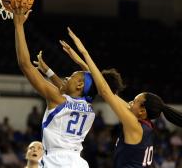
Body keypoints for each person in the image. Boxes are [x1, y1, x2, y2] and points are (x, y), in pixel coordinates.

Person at [11, 2, 124, 168]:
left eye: (72, 76)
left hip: (55, 162)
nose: (66, 78)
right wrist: (48, 71)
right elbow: (88, 85)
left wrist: (18, 26)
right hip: (78, 162)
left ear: (79, 85)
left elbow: (25, 64)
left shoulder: (58, 100)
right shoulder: (90, 105)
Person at [63, 26, 182, 168]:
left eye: (135, 101)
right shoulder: (143, 122)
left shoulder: (134, 124)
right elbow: (105, 89)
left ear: (142, 111)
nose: (130, 102)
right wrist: (81, 62)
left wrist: (85, 53)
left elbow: (106, 92)